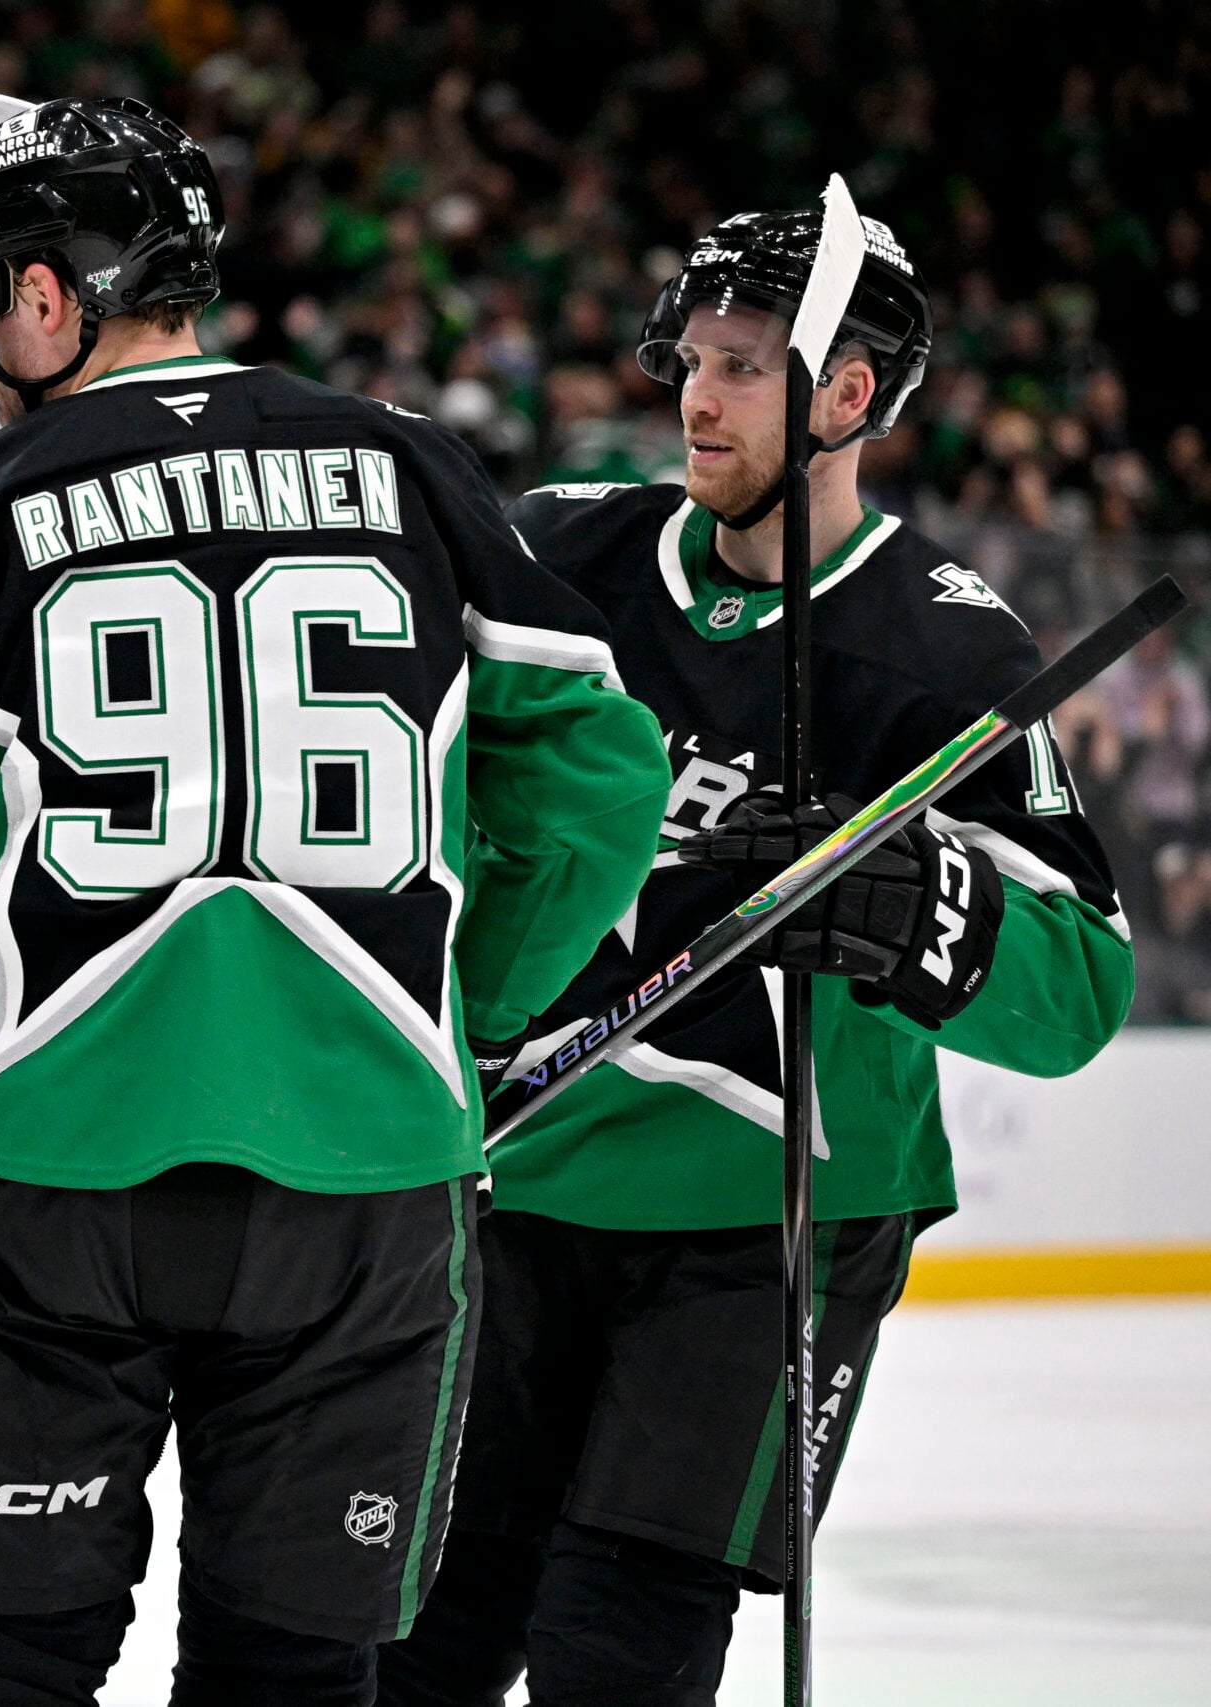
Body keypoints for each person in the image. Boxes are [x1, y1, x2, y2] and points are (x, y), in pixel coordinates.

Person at [0, 97, 671, 1707]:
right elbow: (600, 773)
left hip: (46, 1177)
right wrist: (476, 1000)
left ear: (49, 298)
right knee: (298, 1673)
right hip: (365, 1185)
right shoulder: (414, 467)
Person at [375, 210, 1135, 1707]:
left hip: (769, 1218)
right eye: (693, 363)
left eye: (743, 368)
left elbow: (1080, 988)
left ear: (850, 398)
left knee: (618, 1641)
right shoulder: (562, 551)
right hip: (519, 1170)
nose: (699, 401)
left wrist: (918, 902)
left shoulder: (940, 649)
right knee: (426, 1629)